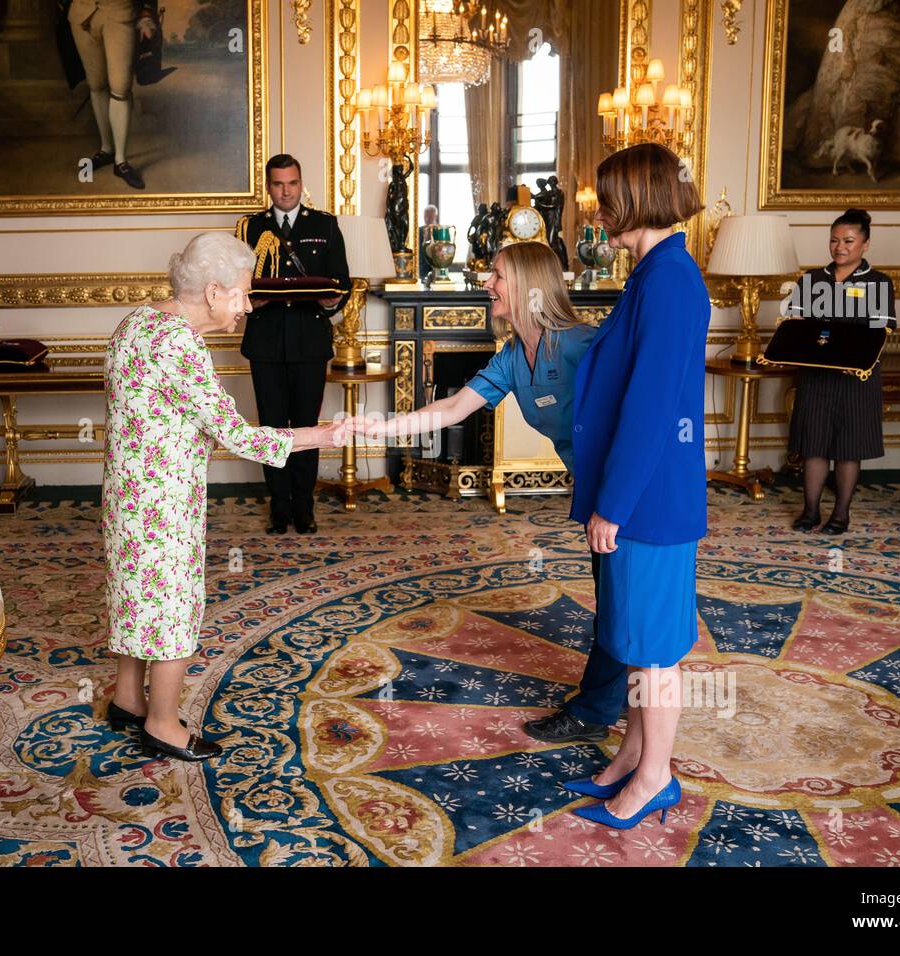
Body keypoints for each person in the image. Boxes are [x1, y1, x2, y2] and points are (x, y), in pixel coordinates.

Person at [358, 241, 626, 743]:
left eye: (497, 276)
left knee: (623, 602)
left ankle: (599, 710)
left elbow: (634, 418)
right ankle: (620, 699)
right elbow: (451, 409)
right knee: (615, 598)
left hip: (626, 489)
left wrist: (617, 500)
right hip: (595, 488)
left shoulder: (583, 345)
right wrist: (378, 427)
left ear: (527, 285)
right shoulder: (511, 356)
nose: (487, 283)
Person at [103, 232, 351, 762]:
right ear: (213, 292)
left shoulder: (137, 322)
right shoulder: (179, 344)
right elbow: (236, 434)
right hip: (162, 503)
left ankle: (127, 698)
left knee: (135, 595)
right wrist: (318, 435)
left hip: (126, 493)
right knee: (170, 606)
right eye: (241, 294)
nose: (246, 306)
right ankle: (163, 724)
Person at [567, 143, 708, 829]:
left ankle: (655, 777)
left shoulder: (670, 280)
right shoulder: (654, 272)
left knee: (653, 650)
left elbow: (651, 408)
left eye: (605, 196)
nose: (598, 209)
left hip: (648, 502)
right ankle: (632, 752)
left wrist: (613, 505)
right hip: (641, 497)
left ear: (634, 198)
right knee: (633, 638)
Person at [235, 154, 350, 535]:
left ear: (302, 184)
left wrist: (333, 301)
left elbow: (341, 282)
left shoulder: (324, 224)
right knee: (271, 429)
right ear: (268, 187)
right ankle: (278, 509)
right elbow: (235, 284)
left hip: (308, 342)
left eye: (293, 183)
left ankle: (304, 508)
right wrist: (251, 301)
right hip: (266, 343)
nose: (286, 191)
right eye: (278, 184)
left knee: (305, 428)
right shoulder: (250, 228)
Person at [786, 208, 896, 534]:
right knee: (813, 445)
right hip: (817, 376)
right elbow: (796, 326)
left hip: (857, 379)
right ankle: (810, 511)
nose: (840, 247)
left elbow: (881, 331)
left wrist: (854, 358)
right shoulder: (811, 279)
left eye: (848, 240)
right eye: (834, 240)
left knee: (848, 447)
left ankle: (841, 515)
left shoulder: (879, 282)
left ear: (865, 244)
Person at [68, 0, 159, 189]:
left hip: (121, 13)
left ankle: (120, 161)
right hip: (81, 15)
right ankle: (107, 149)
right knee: (96, 84)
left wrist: (146, 15)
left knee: (120, 88)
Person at [418, 204, 438, 281]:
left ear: (435, 216)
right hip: (421, 271)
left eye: (430, 216)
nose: (427, 219)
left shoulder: (441, 231)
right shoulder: (418, 231)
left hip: (436, 269)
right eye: (425, 216)